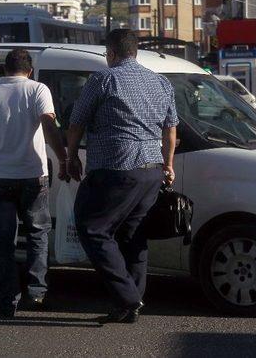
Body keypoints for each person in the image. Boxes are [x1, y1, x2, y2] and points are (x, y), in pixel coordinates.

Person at [66, 29, 178, 324]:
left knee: (92, 228)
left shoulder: (103, 79)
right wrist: (168, 164)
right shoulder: (160, 82)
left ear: (111, 52)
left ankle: (129, 296)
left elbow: (76, 122)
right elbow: (170, 128)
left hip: (116, 168)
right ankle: (128, 306)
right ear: (136, 52)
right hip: (152, 169)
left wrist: (70, 156)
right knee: (134, 234)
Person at [0, 49, 69, 317]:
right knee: (37, 235)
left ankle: (6, 300)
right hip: (33, 175)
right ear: (30, 70)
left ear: (5, 68)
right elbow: (49, 125)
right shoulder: (38, 90)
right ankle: (36, 294)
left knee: (3, 241)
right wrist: (63, 158)